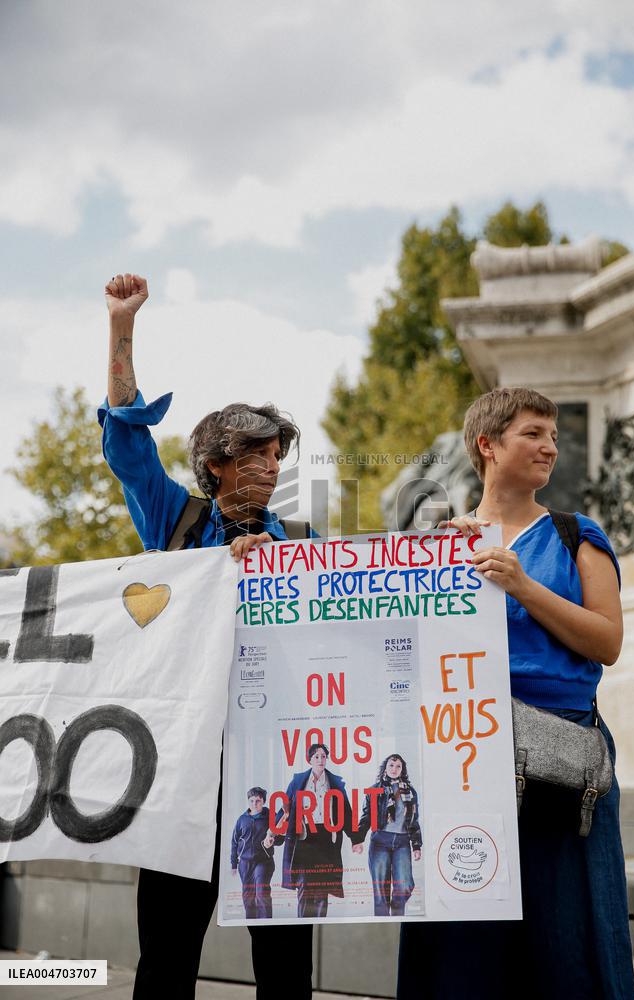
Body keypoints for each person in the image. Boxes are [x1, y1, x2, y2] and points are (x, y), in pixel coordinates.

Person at [101, 273, 314, 1000]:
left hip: (280, 772)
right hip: (184, 769)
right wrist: (121, 328)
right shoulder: (176, 522)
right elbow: (127, 442)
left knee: (285, 961)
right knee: (166, 953)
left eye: (278, 456)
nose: (272, 466)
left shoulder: (311, 543)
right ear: (216, 464)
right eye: (256, 454)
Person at [397, 387, 634, 1000]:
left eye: (553, 436)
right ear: (487, 444)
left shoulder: (574, 534)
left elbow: (607, 642)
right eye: (533, 433)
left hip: (557, 755)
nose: (550, 447)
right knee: (465, 941)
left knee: (567, 940)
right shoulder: (435, 544)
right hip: (462, 753)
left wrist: (521, 585)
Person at [266, 744, 362, 918]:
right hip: (304, 838)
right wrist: (272, 833)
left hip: (325, 838)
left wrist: (355, 839)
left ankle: (318, 923)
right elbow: (284, 810)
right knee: (304, 885)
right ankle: (303, 925)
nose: (320, 759)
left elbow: (346, 812)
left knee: (321, 888)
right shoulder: (298, 781)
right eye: (316, 756)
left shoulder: (335, 782)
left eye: (323, 756)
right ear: (309, 760)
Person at [356, 753, 422, 916]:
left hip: (402, 842)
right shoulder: (375, 789)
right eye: (391, 765)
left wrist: (416, 845)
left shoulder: (410, 792)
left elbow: (414, 820)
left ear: (402, 769)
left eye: (398, 766)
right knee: (380, 889)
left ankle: (397, 913)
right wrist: (358, 840)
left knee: (405, 884)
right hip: (380, 841)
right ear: (385, 768)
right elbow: (367, 816)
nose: (394, 769)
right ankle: (382, 923)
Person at [231, 787, 275, 920]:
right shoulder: (242, 819)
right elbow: (234, 841)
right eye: (251, 801)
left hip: (264, 861)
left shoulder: (270, 817)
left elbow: (280, 836)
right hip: (245, 863)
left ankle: (266, 922)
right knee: (248, 895)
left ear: (264, 801)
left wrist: (273, 840)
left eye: (258, 801)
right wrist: (234, 863)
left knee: (261, 892)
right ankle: (251, 921)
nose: (254, 804)